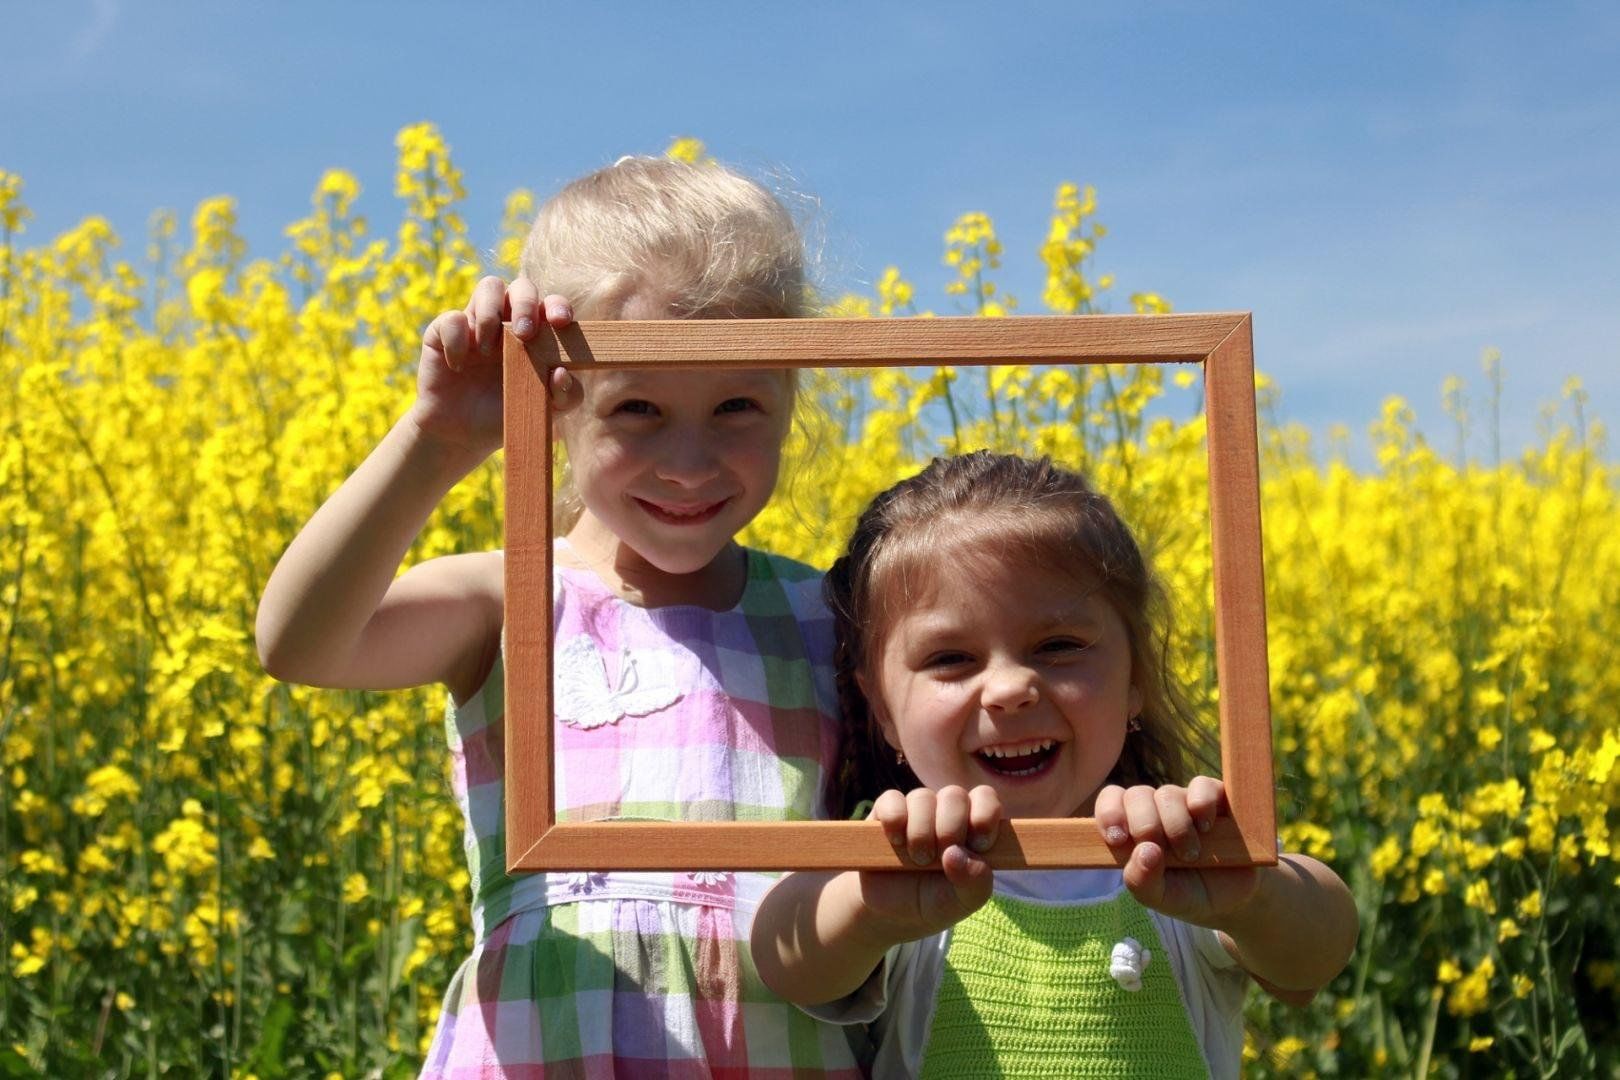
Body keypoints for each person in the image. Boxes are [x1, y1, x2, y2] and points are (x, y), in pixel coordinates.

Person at [257, 157, 866, 1077]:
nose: (690, 461)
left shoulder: (829, 617)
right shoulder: (511, 597)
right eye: (639, 409)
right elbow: (300, 643)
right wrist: (437, 439)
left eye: (738, 404)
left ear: (792, 396)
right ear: (552, 404)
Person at [750, 451, 1358, 1079]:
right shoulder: (902, 854)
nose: (1010, 688)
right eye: (951, 658)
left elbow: (1319, 950)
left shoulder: (1176, 847)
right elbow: (785, 959)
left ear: (1134, 681)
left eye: (1059, 647)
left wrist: (1248, 898)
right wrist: (869, 909)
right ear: (882, 708)